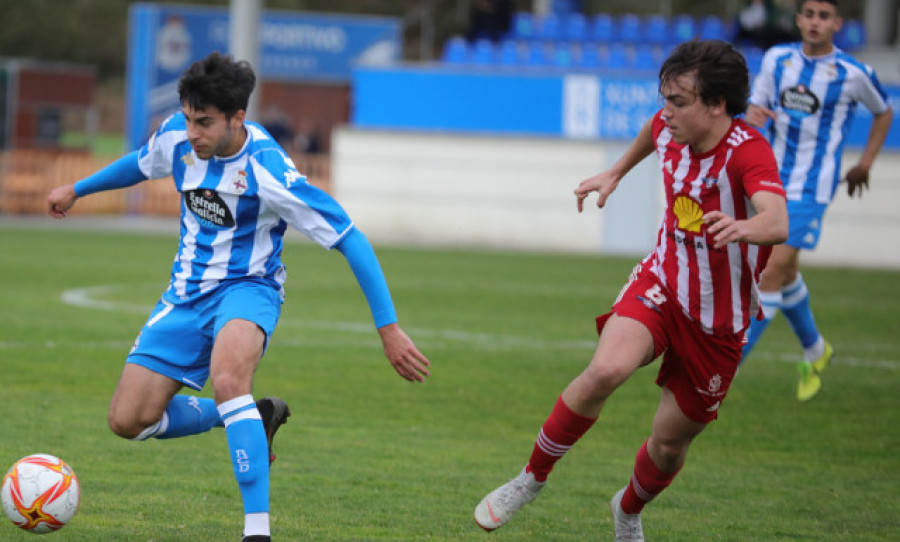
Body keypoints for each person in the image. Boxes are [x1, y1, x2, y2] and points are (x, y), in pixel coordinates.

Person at [47, 52, 431, 542]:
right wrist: (78, 188)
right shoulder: (178, 138)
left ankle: (257, 532)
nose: (192, 132)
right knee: (128, 420)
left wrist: (389, 327)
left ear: (238, 118)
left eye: (204, 123)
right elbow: (142, 164)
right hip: (185, 296)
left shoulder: (268, 169)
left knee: (228, 381)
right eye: (188, 118)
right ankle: (255, 414)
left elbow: (350, 237)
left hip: (249, 290)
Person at [473, 40, 788, 540]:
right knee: (606, 369)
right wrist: (615, 172)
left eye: (679, 101)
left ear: (717, 105)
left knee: (668, 445)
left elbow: (776, 219)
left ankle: (628, 510)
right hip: (662, 283)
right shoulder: (668, 127)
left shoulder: (749, 152)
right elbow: (651, 131)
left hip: (720, 321)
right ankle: (530, 479)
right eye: (665, 97)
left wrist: (743, 228)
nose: (666, 111)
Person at [742, 0, 893, 401]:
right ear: (798, 20)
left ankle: (726, 367)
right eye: (809, 14)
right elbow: (757, 108)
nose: (814, 22)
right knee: (786, 273)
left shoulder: (853, 73)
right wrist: (753, 116)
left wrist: (866, 162)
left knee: (770, 272)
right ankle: (815, 348)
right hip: (769, 182)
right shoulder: (777, 60)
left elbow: (884, 111)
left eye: (823, 16)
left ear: (837, 24)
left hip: (812, 188)